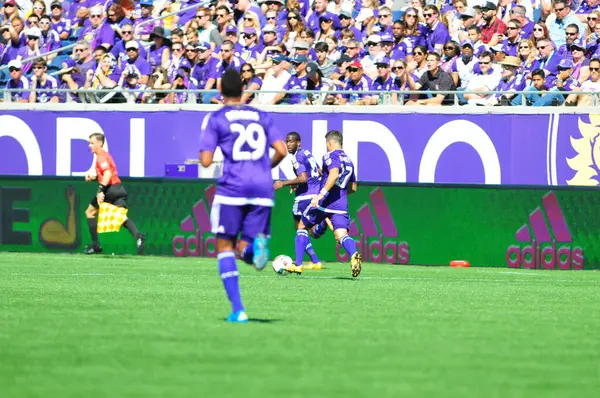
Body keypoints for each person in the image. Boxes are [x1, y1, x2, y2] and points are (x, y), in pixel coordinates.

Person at [199, 68, 287, 323]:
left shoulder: (217, 118)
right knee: (244, 246)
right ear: (243, 89)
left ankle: (238, 310)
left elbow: (205, 161)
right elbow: (281, 150)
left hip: (233, 188)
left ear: (221, 91)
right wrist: (262, 169)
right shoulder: (260, 115)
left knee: (225, 247)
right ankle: (253, 253)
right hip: (262, 188)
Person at [293, 130, 363, 278]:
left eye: (327, 144)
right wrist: (340, 194)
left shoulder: (330, 156)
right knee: (341, 235)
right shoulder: (349, 160)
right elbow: (353, 187)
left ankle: (298, 265)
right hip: (341, 204)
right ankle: (354, 255)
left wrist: (321, 194)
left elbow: (334, 174)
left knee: (302, 226)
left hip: (323, 203)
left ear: (330, 143)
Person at [84, 133, 145, 255]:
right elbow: (106, 174)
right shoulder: (105, 156)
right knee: (121, 217)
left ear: (100, 143)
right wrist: (94, 177)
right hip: (117, 188)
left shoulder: (101, 157)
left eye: (92, 143)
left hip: (109, 190)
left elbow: (107, 175)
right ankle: (139, 236)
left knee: (89, 212)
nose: (89, 145)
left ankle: (96, 245)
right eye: (89, 143)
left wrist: (100, 191)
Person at [273, 132, 323, 272]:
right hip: (316, 196)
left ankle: (301, 263)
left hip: (304, 198)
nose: (288, 144)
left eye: (291, 142)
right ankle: (316, 262)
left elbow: (303, 178)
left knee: (300, 229)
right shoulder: (307, 153)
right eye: (287, 141)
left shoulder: (297, 157)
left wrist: (284, 183)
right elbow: (319, 172)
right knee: (307, 229)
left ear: (298, 143)